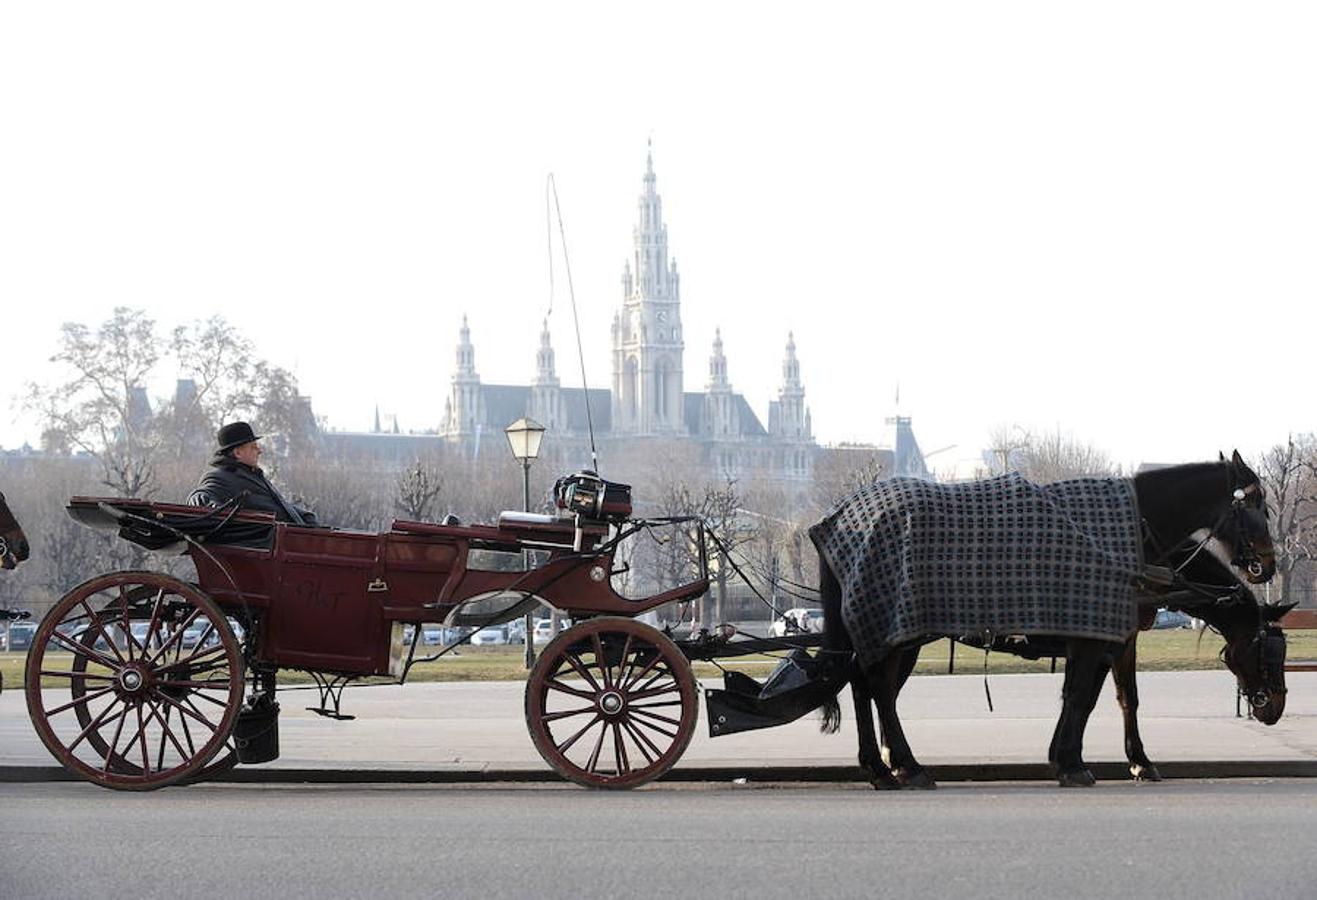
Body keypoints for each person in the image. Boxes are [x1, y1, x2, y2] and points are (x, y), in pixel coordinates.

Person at [189, 421, 318, 525]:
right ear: (238, 453)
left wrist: (305, 517)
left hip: (296, 535)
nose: (259, 451)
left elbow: (278, 505)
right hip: (270, 545)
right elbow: (200, 496)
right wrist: (211, 506)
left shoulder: (254, 474)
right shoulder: (221, 477)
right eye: (253, 447)